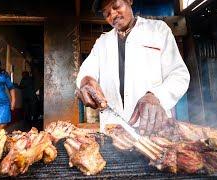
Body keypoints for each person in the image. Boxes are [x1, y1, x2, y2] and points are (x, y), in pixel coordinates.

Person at [76, 0, 190, 134]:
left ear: (129, 1)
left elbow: (179, 74)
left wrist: (156, 96)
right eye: (106, 13)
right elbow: (86, 72)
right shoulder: (102, 42)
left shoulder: (158, 30)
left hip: (152, 128)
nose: (112, 14)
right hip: (114, 131)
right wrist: (86, 81)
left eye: (116, 6)